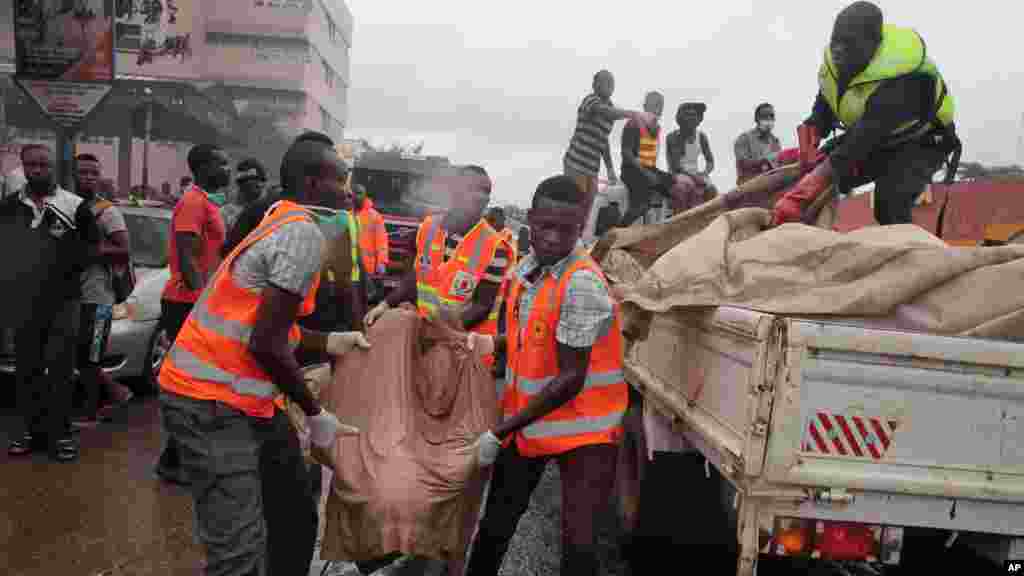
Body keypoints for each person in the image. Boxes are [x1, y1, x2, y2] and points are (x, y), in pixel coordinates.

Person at [157, 136, 370, 576]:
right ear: (313, 183)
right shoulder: (302, 233)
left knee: (293, 505)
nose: (349, 190)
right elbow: (266, 343)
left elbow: (269, 326)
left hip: (248, 398)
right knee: (239, 553)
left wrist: (328, 342)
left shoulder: (283, 216)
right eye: (341, 179)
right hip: (210, 402)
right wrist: (316, 415)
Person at [461, 174, 628, 576]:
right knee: (496, 525)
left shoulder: (582, 283)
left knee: (579, 546)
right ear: (530, 220)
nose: (552, 238)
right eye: (545, 226)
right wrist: (493, 345)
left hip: (584, 434)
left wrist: (500, 431)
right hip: (532, 425)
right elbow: (530, 338)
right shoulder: (526, 270)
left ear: (580, 228)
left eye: (566, 230)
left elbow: (571, 377)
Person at [772, 1, 958, 227]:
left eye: (848, 44)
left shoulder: (905, 80)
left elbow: (863, 139)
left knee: (890, 203)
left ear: (874, 46)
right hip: (872, 137)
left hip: (922, 142)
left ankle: (910, 255)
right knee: (813, 174)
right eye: (835, 43)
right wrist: (812, 130)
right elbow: (826, 104)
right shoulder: (840, 63)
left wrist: (803, 192)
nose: (838, 51)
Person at [365, 164, 511, 373]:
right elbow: (417, 276)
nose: (481, 196)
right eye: (473, 188)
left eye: (486, 191)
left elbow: (482, 306)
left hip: (463, 350)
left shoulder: (495, 246)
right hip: (426, 339)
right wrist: (386, 304)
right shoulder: (428, 227)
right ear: (453, 191)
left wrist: (438, 332)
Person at [3, 144, 95, 461]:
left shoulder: (75, 206)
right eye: (31, 165)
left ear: (53, 166)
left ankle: (61, 434)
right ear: (24, 167)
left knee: (59, 369)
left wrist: (56, 266)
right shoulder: (10, 205)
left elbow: (88, 251)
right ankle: (28, 431)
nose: (37, 170)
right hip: (24, 303)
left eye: (43, 165)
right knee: (26, 368)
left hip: (63, 302)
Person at [154, 143, 229, 486]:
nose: (226, 169)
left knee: (196, 383)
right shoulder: (192, 203)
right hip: (187, 302)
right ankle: (173, 461)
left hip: (197, 301)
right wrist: (202, 303)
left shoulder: (205, 202)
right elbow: (187, 257)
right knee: (190, 383)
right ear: (203, 167)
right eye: (221, 163)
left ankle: (176, 458)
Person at [70, 153, 135, 428]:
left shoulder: (106, 211)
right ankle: (117, 393)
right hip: (73, 296)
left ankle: (91, 411)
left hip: (100, 298)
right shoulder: (67, 205)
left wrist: (90, 251)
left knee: (92, 355)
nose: (87, 177)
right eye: (82, 172)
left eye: (93, 173)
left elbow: (124, 249)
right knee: (80, 355)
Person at [563, 70, 657, 220]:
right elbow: (605, 111)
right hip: (576, 163)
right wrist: (632, 114)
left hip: (592, 167)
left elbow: (603, 140)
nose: (608, 86)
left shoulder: (610, 106)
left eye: (611, 83)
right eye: (604, 82)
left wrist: (610, 168)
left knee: (589, 205)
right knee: (575, 202)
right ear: (594, 85)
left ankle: (579, 237)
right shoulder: (590, 100)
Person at [619, 91, 678, 227]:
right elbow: (626, 153)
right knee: (642, 205)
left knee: (677, 186)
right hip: (631, 170)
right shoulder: (633, 123)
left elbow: (651, 160)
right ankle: (617, 232)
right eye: (656, 104)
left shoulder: (657, 128)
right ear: (645, 106)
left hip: (649, 169)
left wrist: (657, 176)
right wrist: (647, 174)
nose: (660, 108)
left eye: (661, 105)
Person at [666, 102, 718, 211]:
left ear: (699, 119)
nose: (691, 118)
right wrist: (695, 178)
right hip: (678, 174)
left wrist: (704, 173)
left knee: (712, 190)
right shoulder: (673, 137)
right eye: (687, 115)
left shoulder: (701, 136)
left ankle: (707, 220)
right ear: (680, 118)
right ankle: (680, 219)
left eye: (694, 115)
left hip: (696, 173)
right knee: (683, 187)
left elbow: (710, 161)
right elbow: (676, 166)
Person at [734, 103, 783, 185]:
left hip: (770, 183)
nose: (768, 120)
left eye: (771, 116)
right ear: (757, 119)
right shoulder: (744, 138)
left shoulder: (775, 141)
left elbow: (779, 164)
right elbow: (742, 163)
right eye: (764, 116)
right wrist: (763, 162)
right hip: (748, 185)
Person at [353, 182, 389, 280]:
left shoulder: (375, 216)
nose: (357, 196)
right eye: (355, 193)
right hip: (347, 267)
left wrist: (381, 262)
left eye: (360, 193)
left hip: (367, 269)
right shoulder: (345, 214)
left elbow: (382, 241)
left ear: (365, 196)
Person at [221, 158, 267, 232]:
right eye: (253, 179)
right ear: (240, 184)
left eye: (261, 180)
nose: (259, 184)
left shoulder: (271, 211)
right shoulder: (227, 213)